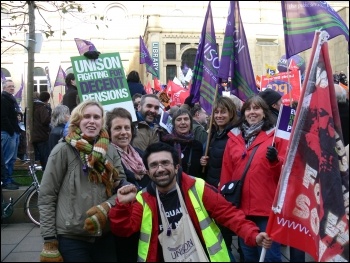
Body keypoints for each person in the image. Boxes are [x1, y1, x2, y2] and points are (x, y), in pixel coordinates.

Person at [109, 142, 272, 262]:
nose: (160, 169)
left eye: (165, 163)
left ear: (176, 167)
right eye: (154, 165)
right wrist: (122, 205)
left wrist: (253, 235)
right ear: (147, 172)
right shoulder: (142, 198)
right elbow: (124, 230)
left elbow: (229, 215)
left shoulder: (196, 187)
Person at [38, 100, 127, 262]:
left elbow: (121, 187)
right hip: (72, 237)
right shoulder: (63, 150)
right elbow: (47, 195)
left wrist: (106, 207)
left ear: (102, 122)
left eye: (96, 117)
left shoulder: (111, 150)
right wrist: (49, 239)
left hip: (104, 234)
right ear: (78, 120)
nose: (92, 121)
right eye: (86, 116)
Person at [220, 95, 288, 262]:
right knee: (248, 256)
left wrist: (275, 161)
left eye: (256, 108)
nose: (252, 112)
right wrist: (226, 202)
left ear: (264, 112)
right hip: (242, 209)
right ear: (243, 113)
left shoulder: (276, 136)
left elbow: (287, 171)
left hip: (267, 209)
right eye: (248, 109)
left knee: (270, 257)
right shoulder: (233, 138)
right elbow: (227, 172)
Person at [106, 107, 150, 262]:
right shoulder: (107, 156)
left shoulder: (140, 154)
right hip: (123, 223)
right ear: (109, 132)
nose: (123, 132)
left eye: (127, 127)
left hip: (145, 221)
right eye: (117, 128)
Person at [200, 97, 239, 261]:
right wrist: (204, 162)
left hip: (225, 191)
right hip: (212, 188)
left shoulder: (235, 135)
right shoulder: (214, 134)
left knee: (225, 233)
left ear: (231, 113)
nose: (219, 115)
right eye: (216, 112)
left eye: (223, 111)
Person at [161, 108, 204, 179]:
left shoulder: (197, 145)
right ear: (174, 123)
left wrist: (204, 164)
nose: (183, 122)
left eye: (186, 119)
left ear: (190, 122)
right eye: (179, 119)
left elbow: (199, 173)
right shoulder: (165, 143)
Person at [1, 80, 21, 190]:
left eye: (13, 86)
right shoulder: (3, 99)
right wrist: (11, 131)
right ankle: (6, 180)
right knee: (7, 158)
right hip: (7, 133)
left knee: (12, 158)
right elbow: (3, 117)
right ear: (4, 88)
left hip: (13, 132)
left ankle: (10, 178)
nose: (12, 88)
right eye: (9, 86)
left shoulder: (11, 99)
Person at [32, 91, 52, 171]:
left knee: (37, 154)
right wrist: (51, 118)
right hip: (41, 135)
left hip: (34, 134)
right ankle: (46, 170)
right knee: (44, 155)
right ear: (47, 99)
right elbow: (45, 120)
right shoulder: (42, 107)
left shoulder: (32, 107)